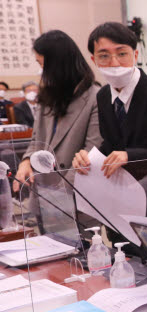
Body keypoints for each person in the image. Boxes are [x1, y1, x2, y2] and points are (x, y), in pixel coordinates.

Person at [71, 22, 147, 213]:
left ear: (135, 55)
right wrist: (89, 158)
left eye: (122, 54)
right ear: (93, 60)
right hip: (118, 199)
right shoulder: (103, 96)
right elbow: (111, 144)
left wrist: (131, 156)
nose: (114, 62)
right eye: (104, 56)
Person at [14, 30, 101, 192]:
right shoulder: (47, 96)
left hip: (76, 194)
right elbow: (37, 139)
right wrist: (26, 161)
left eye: (42, 64)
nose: (41, 72)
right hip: (44, 192)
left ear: (58, 65)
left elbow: (91, 152)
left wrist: (60, 195)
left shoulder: (95, 97)